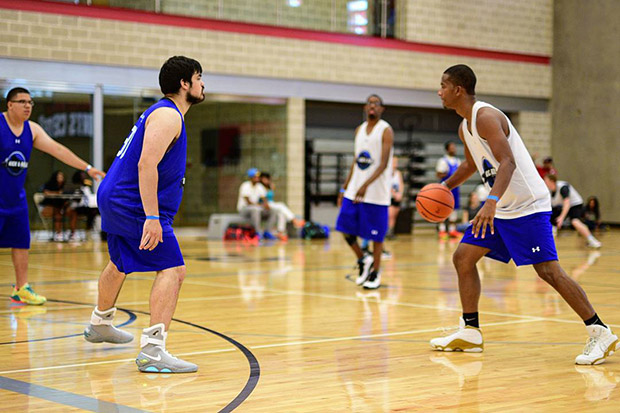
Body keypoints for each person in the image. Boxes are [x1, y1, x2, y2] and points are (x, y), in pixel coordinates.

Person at [430, 64, 616, 365]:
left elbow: (507, 162)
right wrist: (442, 187)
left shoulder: (486, 117)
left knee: (548, 272)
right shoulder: (465, 127)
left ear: (458, 90)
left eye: (443, 85)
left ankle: (600, 331)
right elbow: (469, 165)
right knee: (463, 257)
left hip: (527, 206)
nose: (439, 91)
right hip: (502, 208)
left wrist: (490, 201)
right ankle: (471, 330)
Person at [83, 56, 205, 373]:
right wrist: (151, 217)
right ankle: (153, 350)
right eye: (199, 77)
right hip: (133, 203)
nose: (203, 84)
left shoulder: (163, 113)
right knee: (173, 270)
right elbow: (145, 164)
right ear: (184, 84)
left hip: (117, 196)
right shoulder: (168, 115)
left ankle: (100, 322)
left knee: (120, 262)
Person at [1, 87, 104, 305]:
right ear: (10, 105)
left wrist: (88, 168)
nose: (28, 106)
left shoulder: (33, 130)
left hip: (15, 199)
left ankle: (21, 288)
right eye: (22, 102)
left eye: (30, 102)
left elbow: (58, 150)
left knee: (21, 243)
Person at [336, 94, 394, 289]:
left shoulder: (385, 130)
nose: (372, 106)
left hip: (376, 193)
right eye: (369, 103)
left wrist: (365, 184)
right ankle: (363, 259)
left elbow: (383, 164)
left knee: (376, 237)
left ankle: (375, 274)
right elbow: (355, 161)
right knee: (344, 228)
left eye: (376, 103)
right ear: (364, 107)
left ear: (382, 109)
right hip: (354, 191)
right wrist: (345, 187)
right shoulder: (359, 130)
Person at [544, 174, 601, 248]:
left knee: (575, 221)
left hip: (575, 204)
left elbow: (567, 203)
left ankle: (593, 241)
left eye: (546, 180)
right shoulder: (549, 191)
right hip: (562, 206)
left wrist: (561, 218)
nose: (544, 182)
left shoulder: (562, 187)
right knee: (549, 219)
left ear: (552, 181)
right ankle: (549, 241)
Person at [259, 172, 304, 241]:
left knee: (281, 213)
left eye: (267, 179)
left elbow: (271, 195)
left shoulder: (270, 186)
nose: (265, 180)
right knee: (281, 205)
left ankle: (280, 232)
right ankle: (294, 220)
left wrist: (270, 187)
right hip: (263, 205)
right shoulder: (259, 187)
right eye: (263, 179)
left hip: (271, 204)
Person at [237, 168, 277, 240]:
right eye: (255, 177)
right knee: (255, 209)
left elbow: (264, 199)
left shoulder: (259, 186)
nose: (257, 178)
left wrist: (266, 205)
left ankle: (267, 232)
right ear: (250, 177)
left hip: (256, 209)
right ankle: (258, 232)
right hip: (244, 209)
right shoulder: (245, 185)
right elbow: (248, 202)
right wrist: (259, 205)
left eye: (258, 177)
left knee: (273, 211)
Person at [40, 170, 77, 242]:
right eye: (59, 177)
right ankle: (58, 233)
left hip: (62, 206)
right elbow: (46, 193)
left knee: (73, 212)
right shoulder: (49, 184)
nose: (60, 178)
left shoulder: (65, 186)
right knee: (57, 213)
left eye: (62, 176)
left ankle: (72, 234)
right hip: (49, 206)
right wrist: (57, 193)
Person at [436, 140, 463, 239]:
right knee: (443, 208)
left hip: (455, 189)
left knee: (454, 209)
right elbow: (438, 174)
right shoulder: (442, 161)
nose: (454, 149)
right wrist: (448, 174)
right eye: (452, 147)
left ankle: (452, 230)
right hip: (445, 188)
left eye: (454, 147)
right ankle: (442, 230)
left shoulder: (458, 161)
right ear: (447, 149)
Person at [69, 170, 100, 236]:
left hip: (87, 206)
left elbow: (89, 196)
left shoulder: (86, 186)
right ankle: (88, 230)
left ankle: (101, 231)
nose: (84, 177)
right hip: (78, 206)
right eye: (82, 176)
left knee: (97, 211)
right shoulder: (75, 186)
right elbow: (75, 199)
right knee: (92, 212)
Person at [387, 156, 404, 239]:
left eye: (396, 162)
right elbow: (387, 186)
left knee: (394, 216)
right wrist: (394, 194)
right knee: (390, 215)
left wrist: (400, 194)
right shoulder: (387, 173)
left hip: (397, 197)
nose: (395, 164)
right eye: (393, 162)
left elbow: (401, 184)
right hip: (389, 197)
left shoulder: (398, 173)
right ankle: (387, 231)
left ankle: (391, 231)